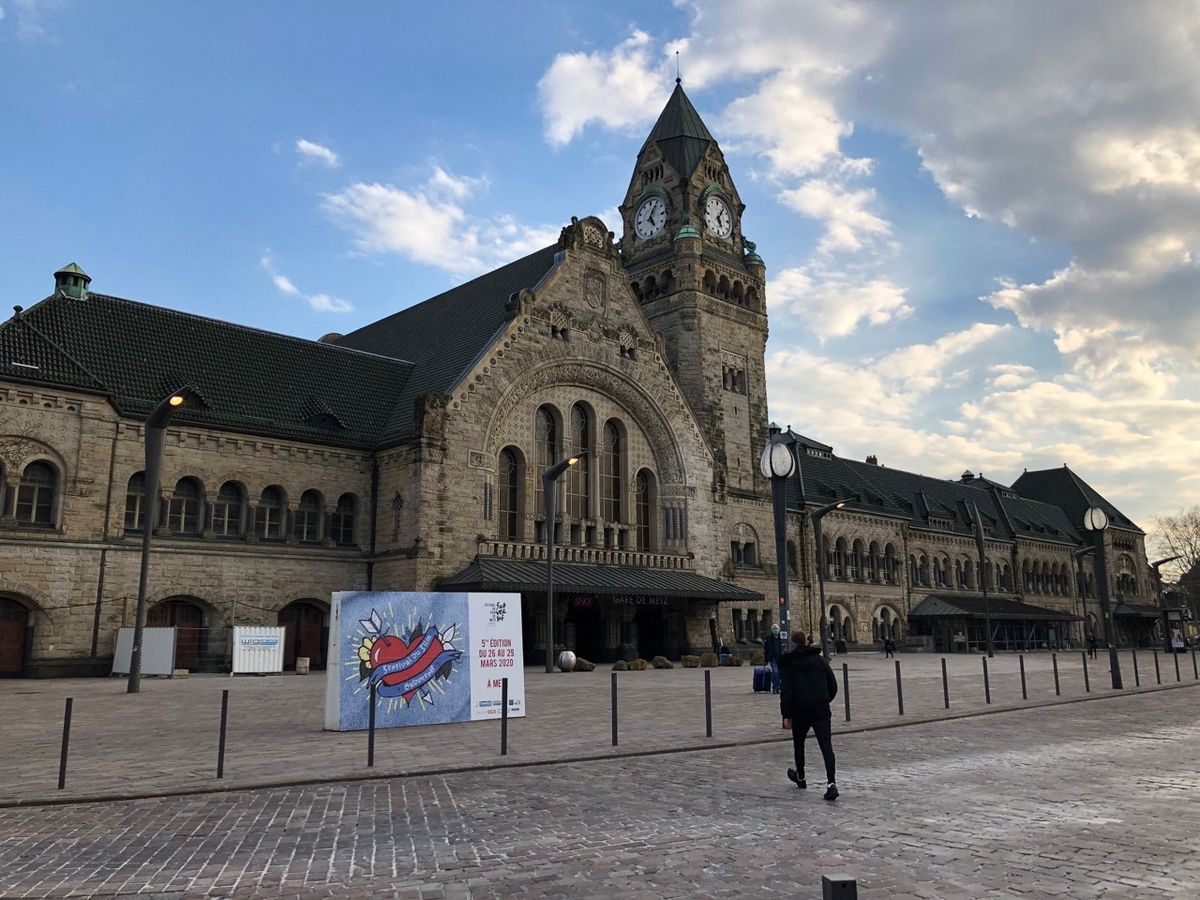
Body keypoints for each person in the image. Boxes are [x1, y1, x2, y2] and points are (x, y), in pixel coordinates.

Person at [779, 630, 839, 801]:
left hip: (800, 711)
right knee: (826, 746)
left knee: (799, 743)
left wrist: (787, 714)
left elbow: (786, 692)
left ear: (793, 644)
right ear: (805, 642)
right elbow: (833, 684)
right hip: (820, 709)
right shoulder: (819, 660)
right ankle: (831, 783)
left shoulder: (790, 663)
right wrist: (825, 699)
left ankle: (801, 776)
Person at [763, 624, 783, 693]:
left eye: (776, 628)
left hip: (781, 657)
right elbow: (766, 649)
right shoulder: (768, 638)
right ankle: (775, 687)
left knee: (780, 672)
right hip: (773, 657)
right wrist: (765, 659)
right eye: (774, 628)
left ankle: (779, 687)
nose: (775, 630)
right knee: (775, 672)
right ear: (771, 630)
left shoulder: (782, 637)